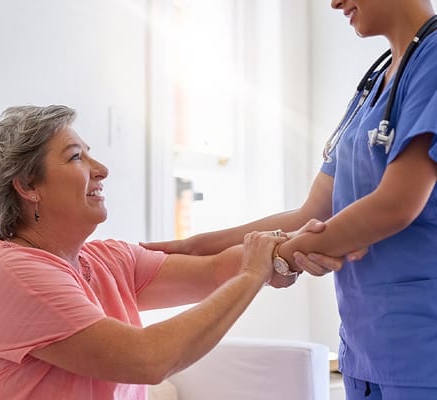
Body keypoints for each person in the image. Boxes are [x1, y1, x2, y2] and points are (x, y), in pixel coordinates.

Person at [143, 1, 437, 398]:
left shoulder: (432, 62)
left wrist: (275, 256)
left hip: (422, 348)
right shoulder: (376, 83)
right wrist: (196, 246)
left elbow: (395, 205)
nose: (334, 2)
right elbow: (312, 212)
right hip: (366, 348)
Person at [0, 105, 341, 400]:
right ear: (27, 186)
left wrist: (296, 246)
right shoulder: (15, 274)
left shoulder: (106, 260)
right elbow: (148, 360)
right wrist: (253, 273)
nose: (101, 170)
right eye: (75, 158)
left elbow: (214, 271)